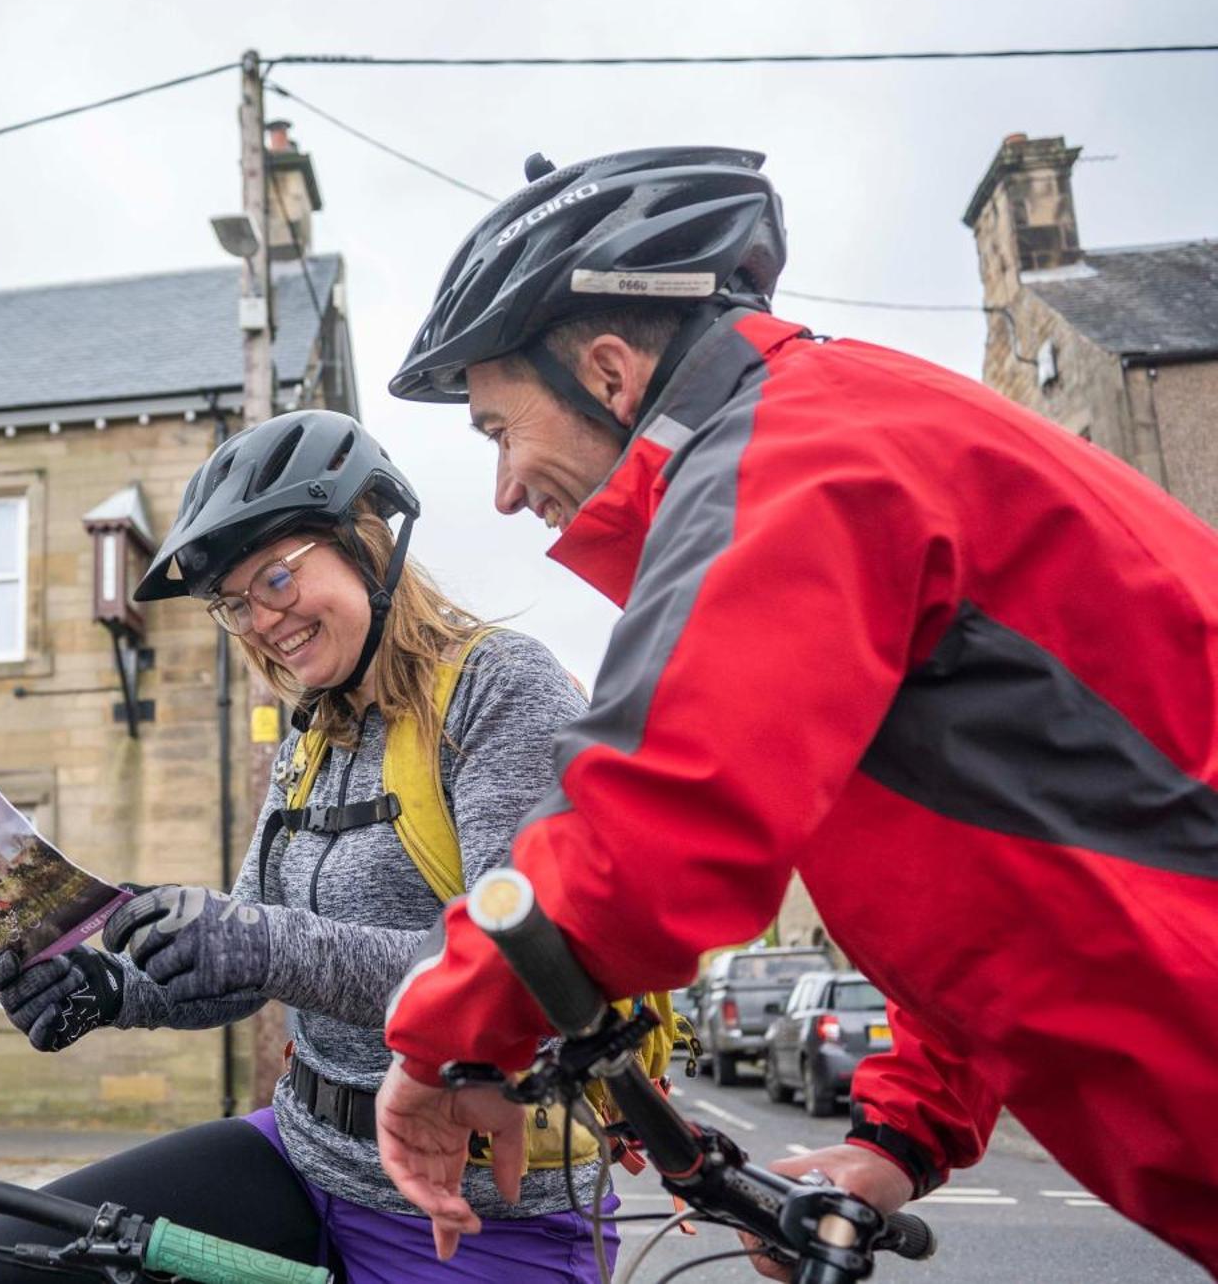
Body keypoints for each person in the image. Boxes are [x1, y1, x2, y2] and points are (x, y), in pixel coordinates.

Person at [369, 146, 1218, 1274]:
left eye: (495, 431)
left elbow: (658, 814)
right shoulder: (837, 420)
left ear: (611, 374)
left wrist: (435, 1038)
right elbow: (988, 874)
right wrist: (898, 1136)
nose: (504, 489)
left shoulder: (789, 453)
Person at [0, 409, 608, 1284]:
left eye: (279, 578)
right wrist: (115, 988)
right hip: (304, 1150)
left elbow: (522, 974)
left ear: (366, 545)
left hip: (478, 1205)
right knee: (1, 1263)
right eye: (233, 603)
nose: (260, 620)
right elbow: (249, 965)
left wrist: (251, 935)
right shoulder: (314, 737)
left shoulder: (499, 690)